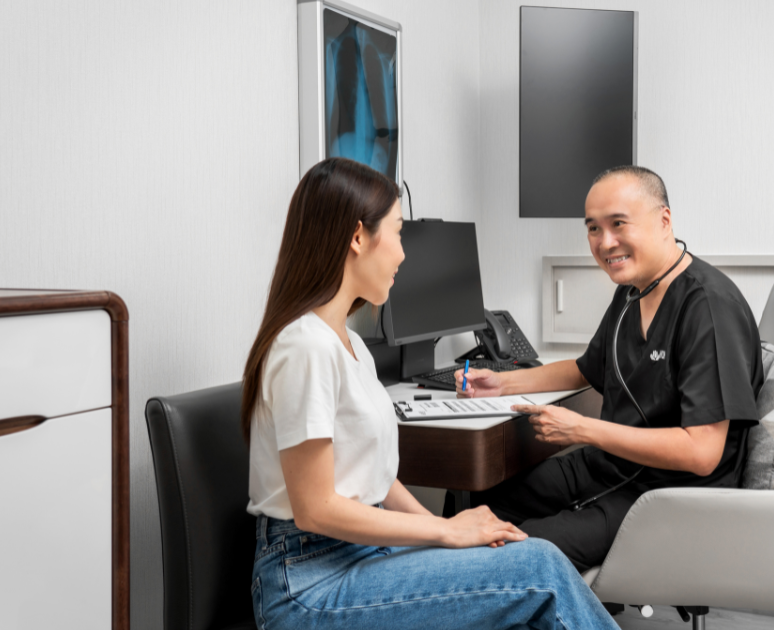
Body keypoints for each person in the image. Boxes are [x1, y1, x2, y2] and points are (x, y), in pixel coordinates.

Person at [242, 157, 620, 630]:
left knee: (515, 554)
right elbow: (317, 509)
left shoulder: (349, 343)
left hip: (363, 555)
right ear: (358, 237)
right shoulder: (305, 346)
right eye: (399, 233)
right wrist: (445, 529)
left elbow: (372, 478)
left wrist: (449, 537)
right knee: (539, 569)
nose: (403, 254)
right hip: (310, 581)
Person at [456, 165, 764, 572]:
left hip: (666, 495)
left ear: (664, 221)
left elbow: (702, 453)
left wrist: (581, 429)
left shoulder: (708, 306)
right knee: (478, 505)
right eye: (593, 229)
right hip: (608, 468)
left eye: (618, 224)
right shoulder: (633, 292)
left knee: (515, 552)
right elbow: (585, 369)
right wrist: (501, 383)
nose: (605, 242)